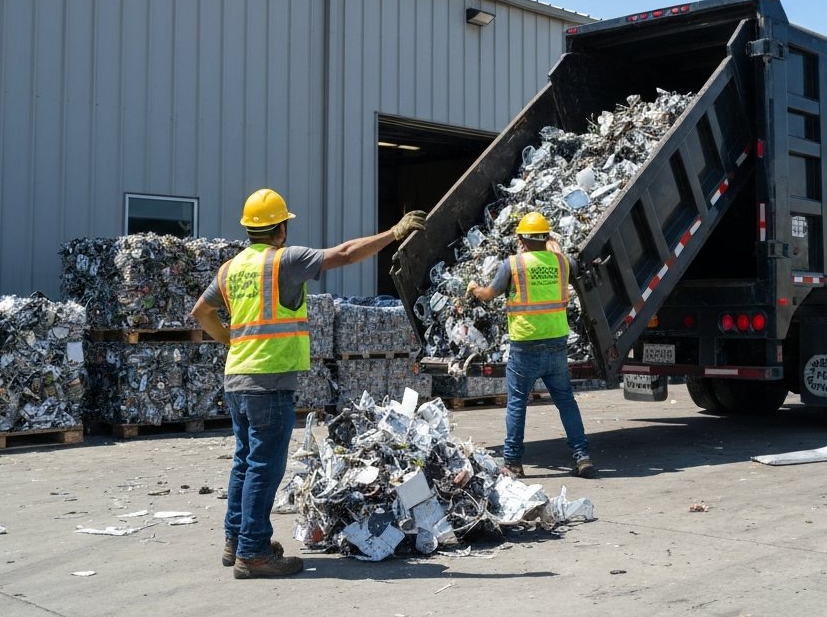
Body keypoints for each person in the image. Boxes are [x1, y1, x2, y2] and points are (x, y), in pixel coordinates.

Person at [191, 189, 426, 579]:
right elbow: (347, 253)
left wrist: (232, 339)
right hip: (270, 382)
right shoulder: (285, 260)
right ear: (280, 228)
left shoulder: (230, 269)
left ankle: (237, 541)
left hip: (237, 379)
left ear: (250, 229)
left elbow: (201, 312)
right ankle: (253, 553)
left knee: (245, 463)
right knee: (264, 468)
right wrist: (393, 233)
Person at [467, 212, 595, 480]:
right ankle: (582, 456)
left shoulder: (512, 265)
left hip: (525, 347)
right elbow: (563, 255)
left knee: (517, 403)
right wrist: (551, 243)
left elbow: (489, 295)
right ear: (548, 238)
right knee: (566, 402)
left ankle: (513, 462)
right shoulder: (563, 263)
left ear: (520, 240)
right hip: (556, 345)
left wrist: (474, 288)